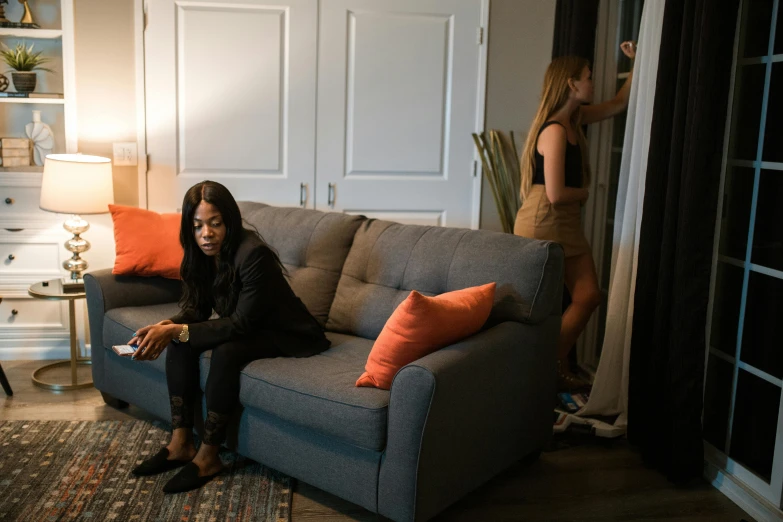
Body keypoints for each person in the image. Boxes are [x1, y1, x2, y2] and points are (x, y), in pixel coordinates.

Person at [127, 180, 330, 493]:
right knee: (180, 341)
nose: (206, 233)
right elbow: (196, 310)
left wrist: (177, 330)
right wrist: (165, 327)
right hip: (250, 326)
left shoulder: (254, 255)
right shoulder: (201, 252)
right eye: (197, 226)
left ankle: (209, 455)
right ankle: (180, 443)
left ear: (229, 221)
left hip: (289, 334)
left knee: (227, 351)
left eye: (215, 223)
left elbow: (241, 324)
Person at [514, 42, 636, 391]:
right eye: (588, 77)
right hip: (543, 218)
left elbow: (619, 104)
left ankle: (545, 367)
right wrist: (588, 192)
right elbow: (555, 194)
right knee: (548, 305)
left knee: (588, 295)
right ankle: (545, 373)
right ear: (571, 84)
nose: (593, 83)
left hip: (565, 220)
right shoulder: (553, 130)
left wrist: (638, 62)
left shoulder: (576, 119)